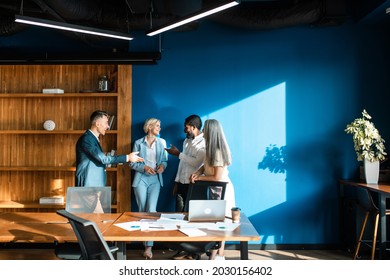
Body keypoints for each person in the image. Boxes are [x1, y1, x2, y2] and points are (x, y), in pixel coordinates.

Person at [190, 119, 236, 260]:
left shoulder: (217, 151)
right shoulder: (210, 149)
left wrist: (199, 179)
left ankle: (219, 256)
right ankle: (214, 256)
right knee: (213, 222)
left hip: (222, 189)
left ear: (211, 131)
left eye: (205, 129)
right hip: (214, 189)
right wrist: (197, 172)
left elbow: (216, 177)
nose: (202, 132)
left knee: (221, 224)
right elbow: (205, 166)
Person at [130, 118, 168, 259]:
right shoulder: (138, 143)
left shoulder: (162, 142)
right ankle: (143, 242)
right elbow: (132, 164)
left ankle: (149, 247)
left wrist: (162, 166)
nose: (159, 128)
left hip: (155, 180)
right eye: (157, 126)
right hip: (140, 179)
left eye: (159, 125)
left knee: (151, 211)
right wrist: (144, 167)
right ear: (150, 127)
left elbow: (164, 160)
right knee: (142, 212)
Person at [75, 110, 143, 187]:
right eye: (106, 123)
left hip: (93, 184)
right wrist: (128, 157)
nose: (108, 126)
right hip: (88, 184)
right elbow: (103, 159)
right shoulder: (87, 139)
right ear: (97, 124)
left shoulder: (91, 138)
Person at [165, 114, 206, 212]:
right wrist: (176, 182)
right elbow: (182, 163)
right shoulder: (186, 141)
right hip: (181, 184)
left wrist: (178, 154)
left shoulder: (204, 142)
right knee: (178, 213)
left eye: (186, 127)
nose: (184, 130)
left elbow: (197, 163)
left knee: (192, 214)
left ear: (194, 127)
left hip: (194, 184)